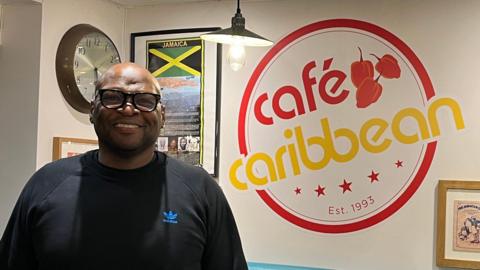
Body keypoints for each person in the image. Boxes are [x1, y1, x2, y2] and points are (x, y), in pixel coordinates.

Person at [0, 63, 248, 270]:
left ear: (162, 115)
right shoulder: (46, 184)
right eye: (113, 97)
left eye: (144, 100)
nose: (128, 109)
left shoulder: (200, 190)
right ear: (92, 110)